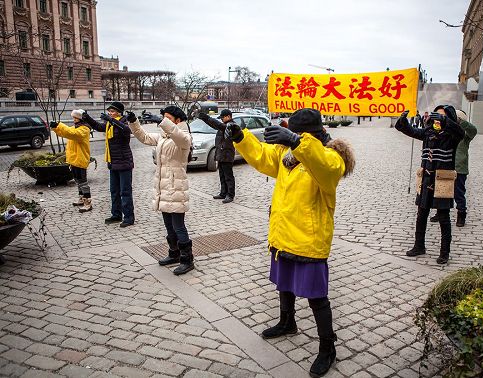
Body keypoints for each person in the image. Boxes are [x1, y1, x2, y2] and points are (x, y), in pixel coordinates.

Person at [225, 108, 355, 377]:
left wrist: (298, 143)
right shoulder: (288, 156)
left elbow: (324, 167)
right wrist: (240, 136)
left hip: (309, 238)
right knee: (284, 284)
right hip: (284, 233)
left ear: (307, 135)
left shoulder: (329, 158)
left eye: (295, 134)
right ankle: (287, 322)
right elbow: (262, 156)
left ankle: (327, 348)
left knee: (316, 297)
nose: (290, 137)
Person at [126, 106, 195, 275]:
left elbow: (179, 138)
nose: (164, 120)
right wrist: (134, 122)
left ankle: (187, 259)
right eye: (163, 118)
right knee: (168, 224)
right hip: (163, 187)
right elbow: (143, 137)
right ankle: (174, 254)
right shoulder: (163, 137)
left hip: (176, 186)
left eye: (168, 118)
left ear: (178, 121)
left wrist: (162, 122)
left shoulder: (184, 137)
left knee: (178, 225)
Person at [395, 105, 464, 264]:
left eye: (442, 116)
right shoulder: (428, 132)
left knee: (443, 217)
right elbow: (411, 131)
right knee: (421, 214)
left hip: (442, 181)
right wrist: (403, 121)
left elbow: (461, 133)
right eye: (437, 116)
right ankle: (419, 246)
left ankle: (444, 252)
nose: (438, 120)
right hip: (426, 179)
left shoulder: (452, 136)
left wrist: (446, 121)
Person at [82, 102, 135, 227]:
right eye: (109, 111)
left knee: (125, 192)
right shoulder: (109, 124)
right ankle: (116, 215)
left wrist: (111, 120)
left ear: (119, 112)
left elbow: (126, 130)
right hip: (113, 163)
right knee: (114, 191)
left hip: (124, 162)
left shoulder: (124, 122)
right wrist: (87, 117)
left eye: (112, 111)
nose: (110, 113)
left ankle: (129, 217)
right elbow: (98, 126)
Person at [430, 110, 477, 227]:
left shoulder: (465, 136)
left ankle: (461, 214)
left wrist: (461, 122)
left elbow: (473, 130)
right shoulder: (446, 132)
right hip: (445, 166)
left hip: (459, 168)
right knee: (441, 190)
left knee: (458, 193)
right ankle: (439, 213)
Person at [50, 109, 93, 212]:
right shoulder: (76, 127)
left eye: (76, 118)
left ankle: (88, 202)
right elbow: (66, 133)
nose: (74, 120)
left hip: (81, 159)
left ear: (81, 118)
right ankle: (82, 198)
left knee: (83, 182)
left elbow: (72, 133)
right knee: (78, 181)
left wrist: (59, 125)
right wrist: (56, 128)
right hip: (74, 159)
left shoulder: (84, 129)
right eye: (73, 117)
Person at [198, 109, 236, 203]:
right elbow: (215, 125)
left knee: (228, 176)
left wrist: (207, 117)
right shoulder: (224, 125)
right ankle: (223, 193)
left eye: (223, 118)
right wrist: (205, 120)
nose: (222, 120)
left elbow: (219, 125)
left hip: (227, 154)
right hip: (221, 154)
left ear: (228, 116)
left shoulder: (231, 125)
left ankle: (230, 195)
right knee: (222, 175)